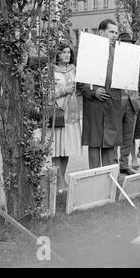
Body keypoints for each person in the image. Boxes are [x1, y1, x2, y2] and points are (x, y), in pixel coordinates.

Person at [78, 19, 122, 169]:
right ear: (101, 32)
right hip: (94, 104)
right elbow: (80, 81)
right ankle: (95, 180)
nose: (114, 35)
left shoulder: (121, 54)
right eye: (111, 32)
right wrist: (93, 91)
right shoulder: (88, 52)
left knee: (110, 144)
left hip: (113, 103)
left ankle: (108, 182)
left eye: (116, 32)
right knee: (95, 143)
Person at [50, 43, 83, 191]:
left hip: (72, 115)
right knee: (57, 148)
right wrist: (63, 90)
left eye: (69, 52)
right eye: (63, 52)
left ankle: (61, 177)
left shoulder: (74, 70)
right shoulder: (50, 71)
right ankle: (59, 181)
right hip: (58, 114)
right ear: (57, 54)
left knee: (67, 148)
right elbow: (45, 94)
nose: (67, 55)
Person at [117, 32, 140, 175]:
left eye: (130, 44)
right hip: (118, 102)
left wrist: (138, 99)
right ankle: (114, 164)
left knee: (128, 136)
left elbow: (138, 83)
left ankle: (124, 164)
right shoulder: (113, 60)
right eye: (125, 44)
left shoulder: (135, 62)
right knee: (115, 135)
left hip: (132, 103)